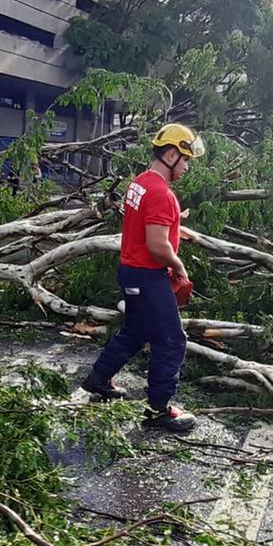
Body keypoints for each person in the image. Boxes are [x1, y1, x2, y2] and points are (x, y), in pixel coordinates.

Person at [80, 123, 205, 433]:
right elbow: (157, 245)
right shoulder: (162, 193)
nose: (187, 167)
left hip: (130, 271)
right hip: (149, 276)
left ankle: (98, 378)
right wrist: (179, 266)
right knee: (172, 340)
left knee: (135, 330)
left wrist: (178, 230)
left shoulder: (139, 183)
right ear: (172, 154)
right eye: (186, 159)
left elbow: (146, 226)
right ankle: (159, 410)